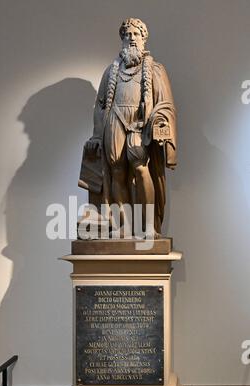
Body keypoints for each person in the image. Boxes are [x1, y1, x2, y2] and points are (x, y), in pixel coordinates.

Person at [79, 18, 177, 237]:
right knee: (116, 171)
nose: (131, 39)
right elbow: (101, 104)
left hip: (139, 123)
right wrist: (97, 134)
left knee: (141, 169)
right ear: (122, 39)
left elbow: (165, 103)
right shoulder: (111, 71)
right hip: (114, 120)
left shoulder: (154, 69)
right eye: (127, 35)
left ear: (143, 38)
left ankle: (150, 226)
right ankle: (123, 225)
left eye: (135, 34)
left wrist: (160, 120)